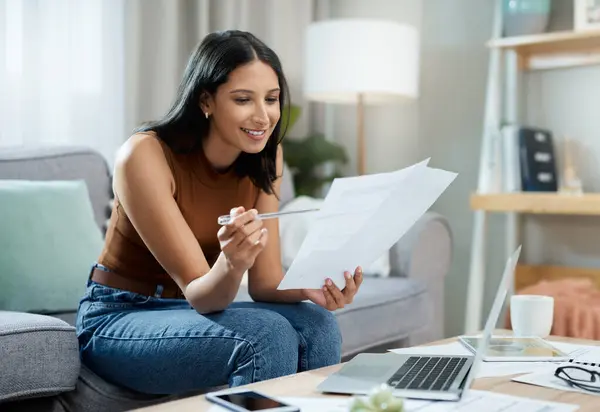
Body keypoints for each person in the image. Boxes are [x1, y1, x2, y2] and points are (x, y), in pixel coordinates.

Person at [75, 30, 364, 396]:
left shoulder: (266, 155)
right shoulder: (144, 156)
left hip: (188, 313)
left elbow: (264, 283)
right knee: (266, 336)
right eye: (243, 99)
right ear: (206, 100)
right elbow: (202, 294)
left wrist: (309, 287)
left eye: (272, 99)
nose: (263, 117)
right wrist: (231, 262)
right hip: (119, 317)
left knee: (318, 324)